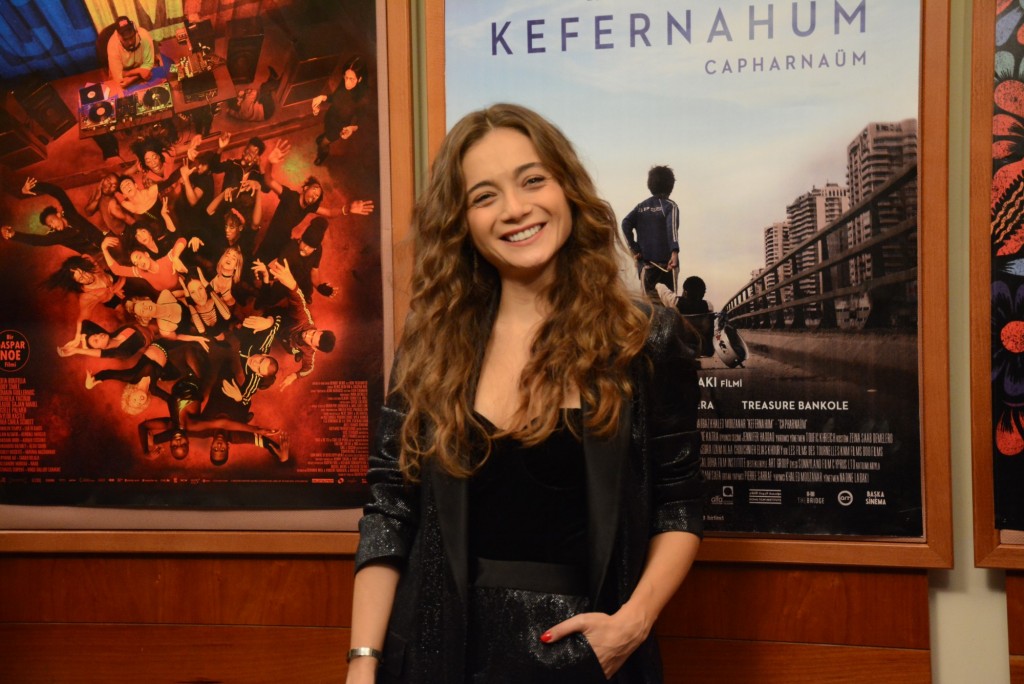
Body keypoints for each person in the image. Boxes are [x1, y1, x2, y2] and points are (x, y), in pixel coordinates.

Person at [348, 104, 703, 684]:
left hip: (591, 659)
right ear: (461, 221)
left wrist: (631, 626)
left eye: (532, 180)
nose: (514, 208)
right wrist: (362, 665)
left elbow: (679, 504)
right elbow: (390, 509)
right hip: (439, 656)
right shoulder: (431, 344)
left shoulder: (647, 340)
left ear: (567, 189)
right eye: (484, 196)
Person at [621, 165, 680, 298]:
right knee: (668, 303)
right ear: (671, 186)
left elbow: (625, 224)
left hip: (646, 266)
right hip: (667, 265)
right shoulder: (670, 206)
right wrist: (674, 251)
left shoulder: (640, 207)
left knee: (649, 305)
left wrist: (634, 249)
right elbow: (672, 229)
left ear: (650, 185)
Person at [311, 56, 369, 165]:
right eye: (346, 77)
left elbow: (362, 118)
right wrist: (322, 97)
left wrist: (353, 128)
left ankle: (322, 155)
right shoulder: (344, 84)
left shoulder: (362, 98)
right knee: (325, 134)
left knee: (323, 144)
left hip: (338, 127)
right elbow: (335, 97)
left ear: (360, 79)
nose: (347, 82)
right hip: (330, 117)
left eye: (351, 79)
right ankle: (324, 137)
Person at [656, 276, 714, 358]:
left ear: (685, 292)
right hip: (703, 349)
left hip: (683, 349)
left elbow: (660, 288)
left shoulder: (675, 302)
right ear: (703, 293)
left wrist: (658, 283)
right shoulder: (708, 305)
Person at [107, 16, 156, 89]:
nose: (130, 42)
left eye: (131, 37)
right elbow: (118, 76)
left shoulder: (144, 35)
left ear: (135, 31)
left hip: (134, 74)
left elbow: (148, 64)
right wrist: (139, 71)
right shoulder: (112, 45)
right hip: (127, 76)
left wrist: (132, 79)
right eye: (125, 39)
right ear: (118, 36)